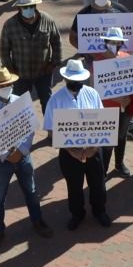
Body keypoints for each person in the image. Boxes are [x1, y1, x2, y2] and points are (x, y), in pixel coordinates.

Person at [0, 68, 54, 249]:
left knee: (32, 192)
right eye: (3, 85)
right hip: (0, 161)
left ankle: (38, 222)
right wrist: (5, 154)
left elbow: (29, 128)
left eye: (9, 84)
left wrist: (22, 150)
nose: (8, 87)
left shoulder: (20, 102)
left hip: (23, 157)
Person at [43, 60, 112, 229]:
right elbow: (52, 132)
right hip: (69, 153)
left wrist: (92, 149)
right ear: (66, 80)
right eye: (74, 81)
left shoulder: (92, 94)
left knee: (98, 183)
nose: (77, 84)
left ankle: (99, 210)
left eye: (79, 81)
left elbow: (104, 124)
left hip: (94, 150)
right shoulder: (55, 100)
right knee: (74, 187)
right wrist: (72, 151)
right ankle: (77, 214)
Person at [0, 0, 62, 114]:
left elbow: (56, 41)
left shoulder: (47, 20)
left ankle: (51, 130)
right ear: (19, 8)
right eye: (25, 7)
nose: (29, 9)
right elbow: (4, 49)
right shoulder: (10, 25)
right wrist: (11, 70)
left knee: (47, 101)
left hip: (44, 72)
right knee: (18, 104)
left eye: (31, 6)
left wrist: (54, 63)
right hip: (21, 74)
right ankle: (21, 132)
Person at [91, 27, 133, 178]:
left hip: (125, 107)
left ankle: (119, 164)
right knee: (107, 142)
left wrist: (128, 98)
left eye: (117, 42)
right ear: (106, 42)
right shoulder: (98, 62)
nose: (114, 45)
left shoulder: (126, 57)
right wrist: (116, 99)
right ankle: (104, 170)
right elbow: (95, 88)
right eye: (111, 42)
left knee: (121, 137)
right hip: (107, 108)